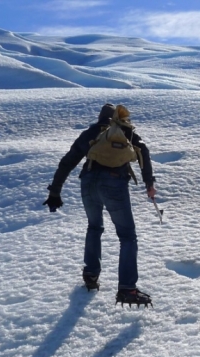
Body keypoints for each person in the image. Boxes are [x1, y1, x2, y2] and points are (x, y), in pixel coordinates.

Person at [43, 103, 156, 307]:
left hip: (88, 182)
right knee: (127, 236)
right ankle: (127, 288)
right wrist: (149, 182)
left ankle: (91, 274)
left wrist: (55, 191)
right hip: (114, 182)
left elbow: (68, 161)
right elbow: (144, 151)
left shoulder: (92, 132)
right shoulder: (125, 131)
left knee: (94, 227)